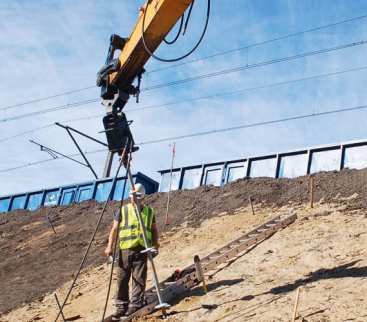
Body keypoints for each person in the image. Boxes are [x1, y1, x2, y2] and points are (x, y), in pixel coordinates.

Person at [104, 183, 159, 320]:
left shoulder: (149, 212)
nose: (134, 199)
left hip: (141, 250)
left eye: (137, 196)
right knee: (122, 279)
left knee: (139, 279)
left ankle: (135, 304)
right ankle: (121, 306)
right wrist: (109, 246)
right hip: (124, 250)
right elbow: (114, 230)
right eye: (133, 196)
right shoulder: (123, 210)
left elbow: (154, 230)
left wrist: (156, 245)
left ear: (143, 197)